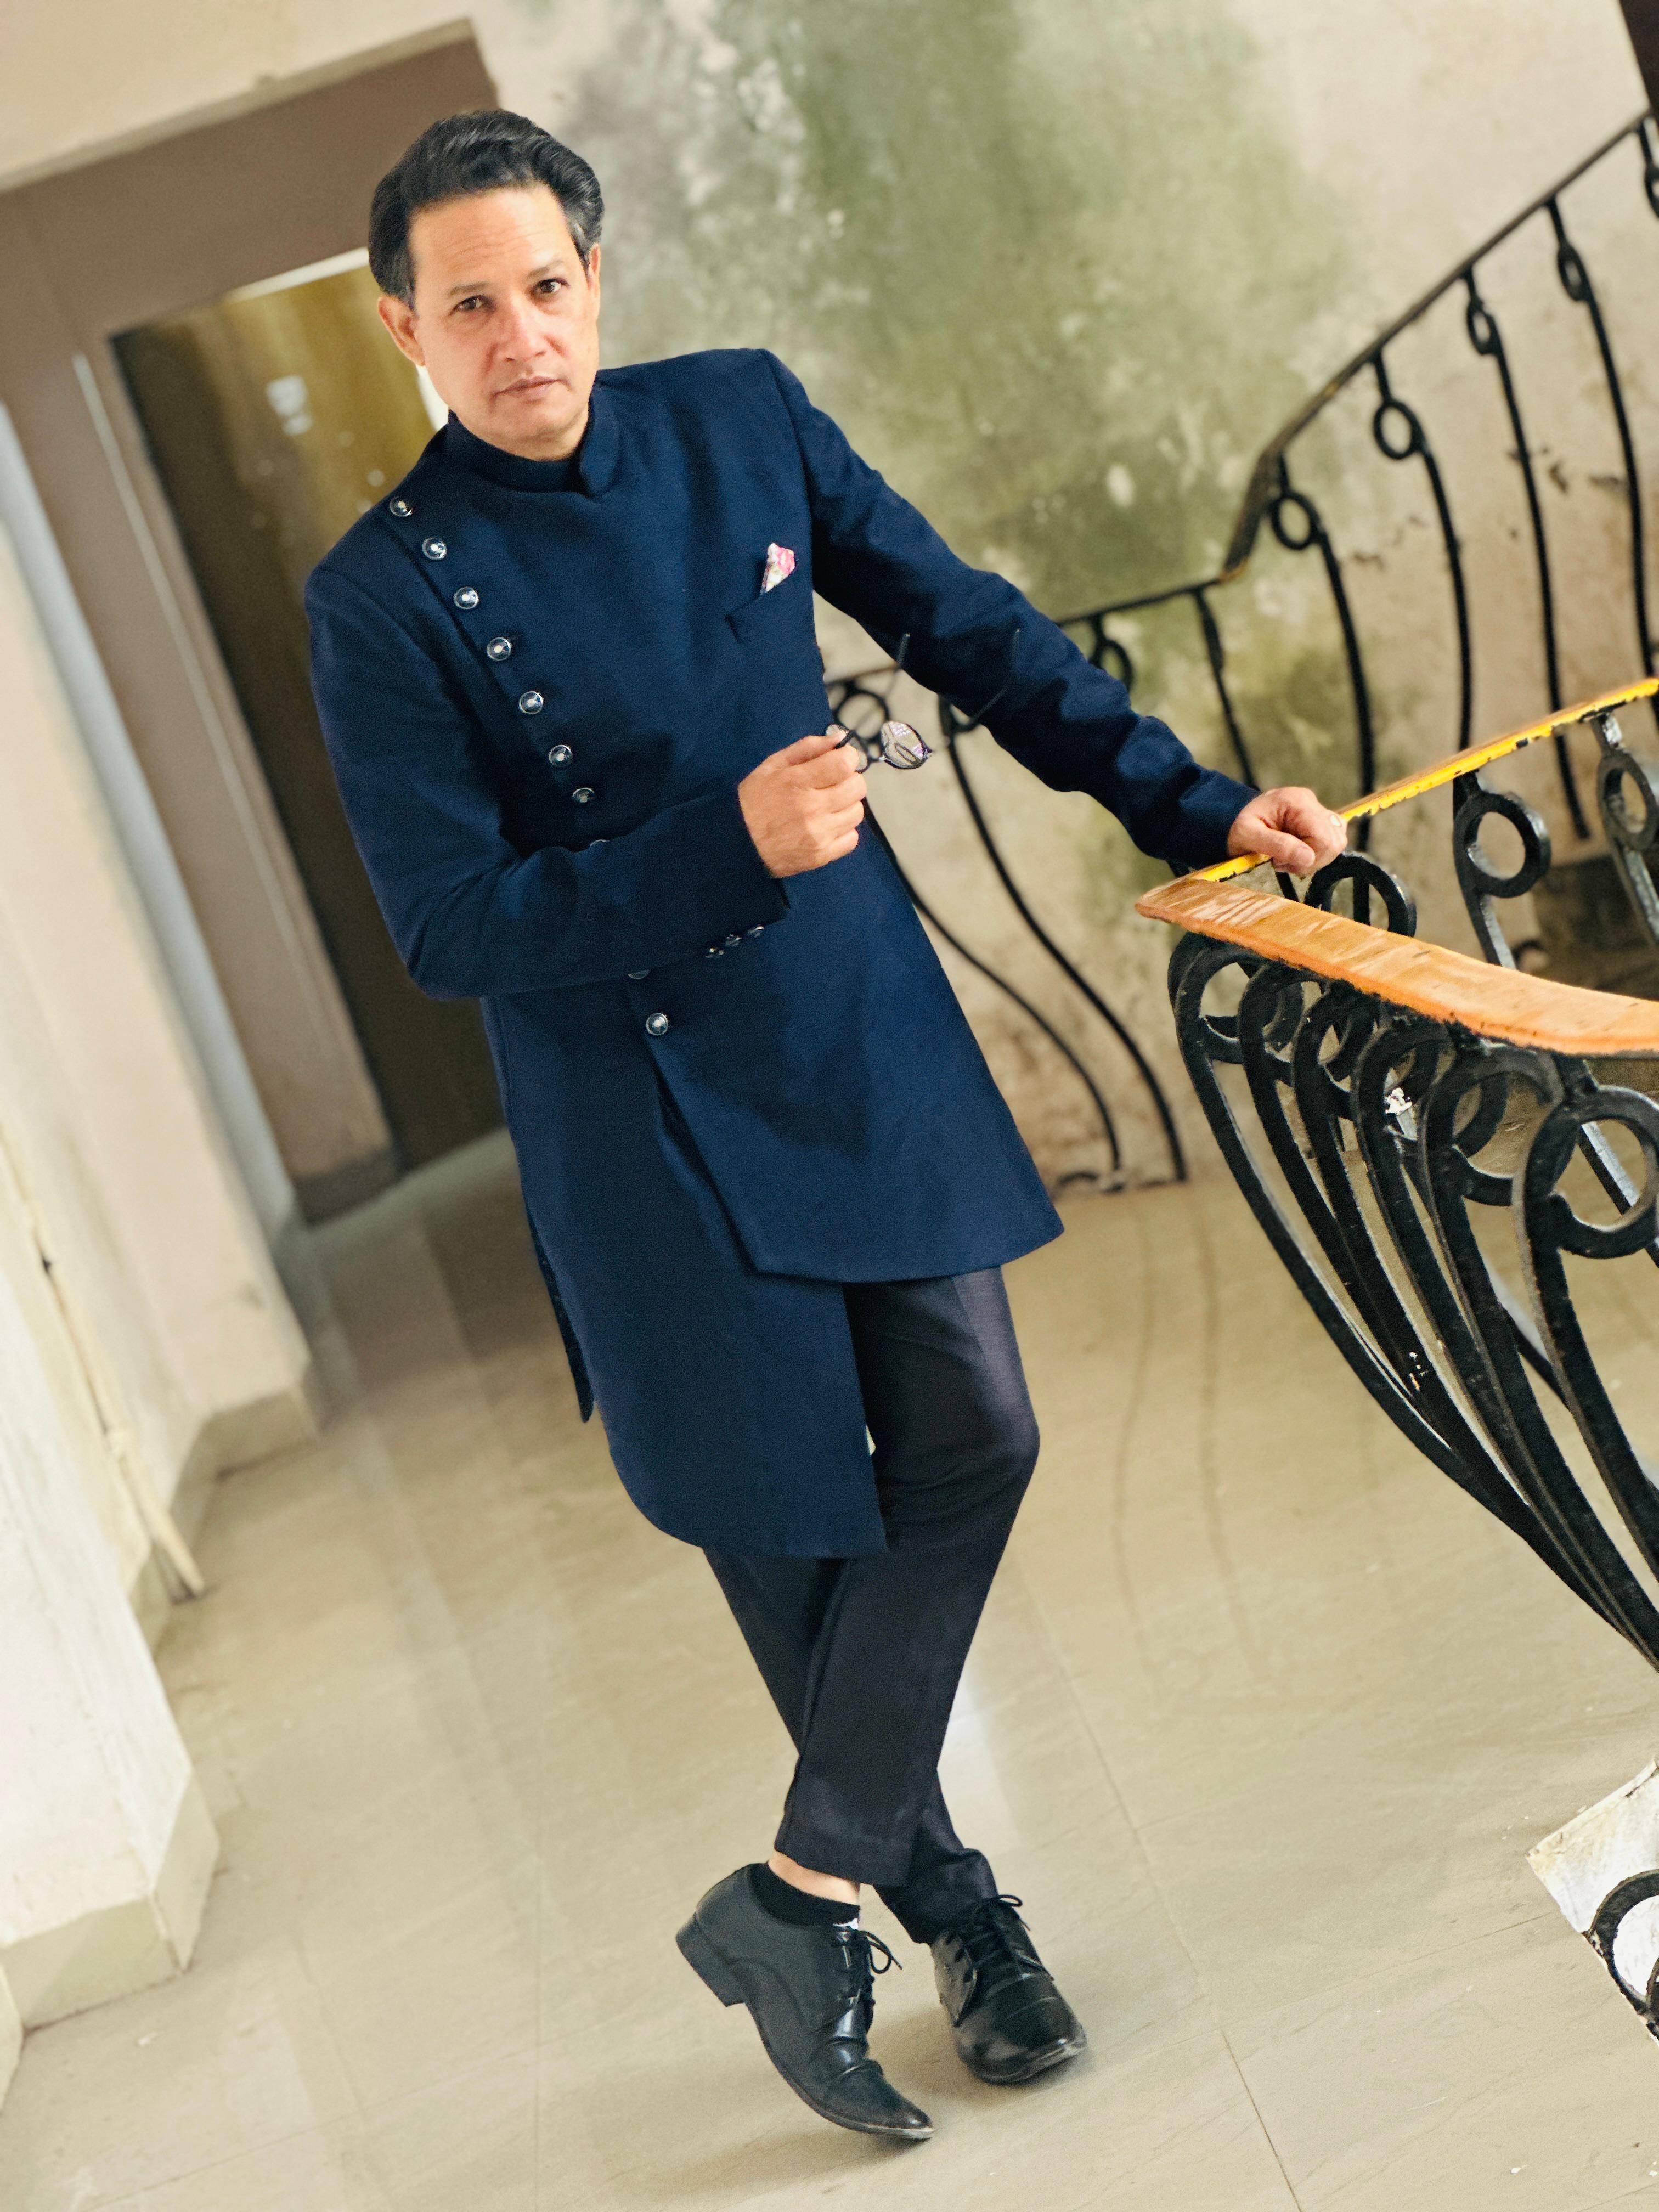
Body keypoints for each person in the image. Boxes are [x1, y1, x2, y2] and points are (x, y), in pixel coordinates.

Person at [306, 108, 1347, 2145]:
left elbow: (971, 628)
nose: (522, 336)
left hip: (851, 1036)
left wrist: (1198, 803)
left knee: (979, 1434)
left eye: (546, 287)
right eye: (469, 307)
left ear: (593, 278)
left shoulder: (742, 419)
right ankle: (963, 1923)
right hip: (641, 1115)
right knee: (789, 1541)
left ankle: (794, 1897)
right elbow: (448, 925)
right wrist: (729, 842)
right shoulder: (382, 597)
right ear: (403, 329)